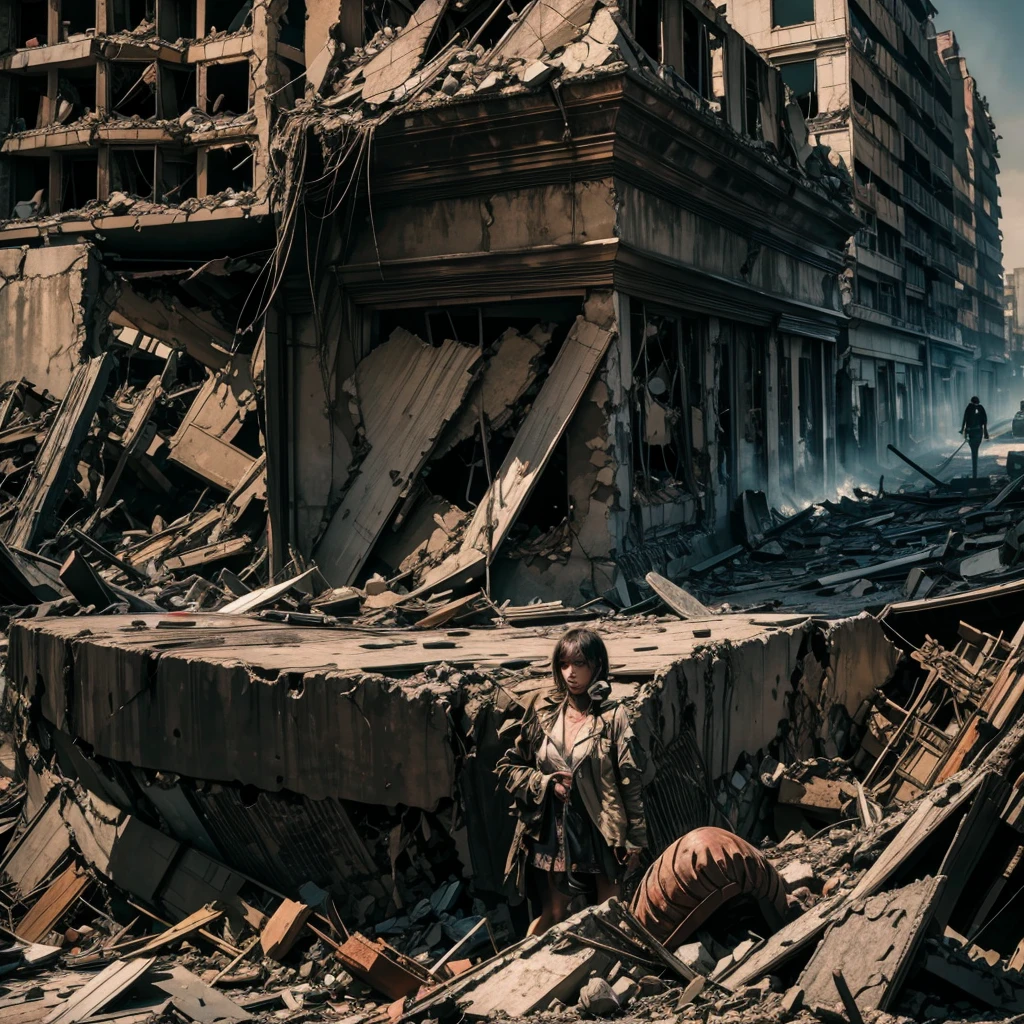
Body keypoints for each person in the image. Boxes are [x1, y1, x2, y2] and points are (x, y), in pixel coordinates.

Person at [495, 627, 647, 936]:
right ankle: (527, 973)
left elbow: (629, 782)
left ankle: (608, 975)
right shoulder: (544, 713)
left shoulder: (614, 717)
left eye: (579, 664)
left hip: (601, 826)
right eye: (564, 664)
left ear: (597, 666)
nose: (570, 673)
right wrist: (546, 782)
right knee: (554, 913)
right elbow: (509, 767)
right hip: (555, 828)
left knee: (610, 910)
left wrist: (635, 839)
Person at [960, 396, 989, 480]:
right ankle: (974, 475)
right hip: (977, 431)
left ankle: (974, 474)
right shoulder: (980, 408)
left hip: (971, 432)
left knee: (974, 450)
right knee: (975, 450)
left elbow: (964, 420)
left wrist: (962, 430)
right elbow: (985, 421)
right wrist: (985, 432)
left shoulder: (969, 408)